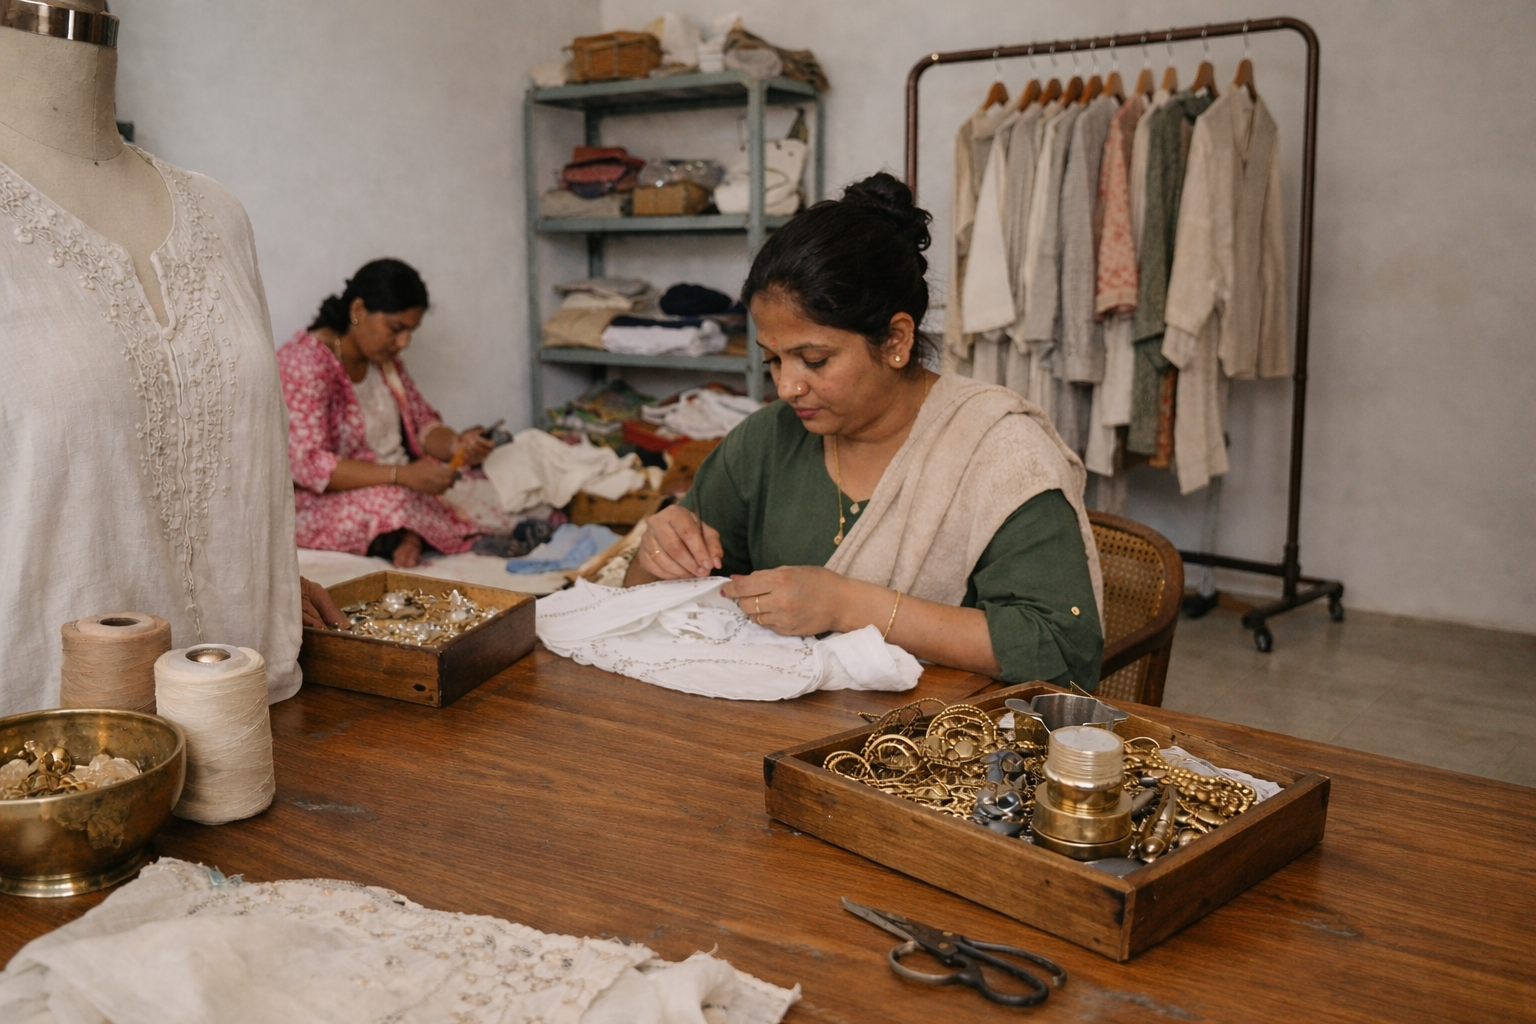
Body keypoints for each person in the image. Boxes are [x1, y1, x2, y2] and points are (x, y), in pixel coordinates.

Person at [624, 174, 1105, 689]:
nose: (787, 386)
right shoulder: (767, 441)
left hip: (946, 743)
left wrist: (849, 604)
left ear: (896, 339)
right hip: (774, 736)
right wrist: (658, 558)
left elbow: (1061, 650)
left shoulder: (1000, 454)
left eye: (814, 359)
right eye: (773, 360)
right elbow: (645, 601)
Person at [277, 259, 499, 568]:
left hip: (399, 482)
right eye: (396, 329)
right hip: (323, 500)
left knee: (493, 476)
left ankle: (408, 533)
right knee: (397, 502)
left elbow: (424, 425)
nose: (404, 343)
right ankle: (407, 533)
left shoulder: (384, 362)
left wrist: (457, 445)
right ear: (358, 310)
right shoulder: (305, 363)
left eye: (411, 331)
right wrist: (403, 476)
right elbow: (310, 465)